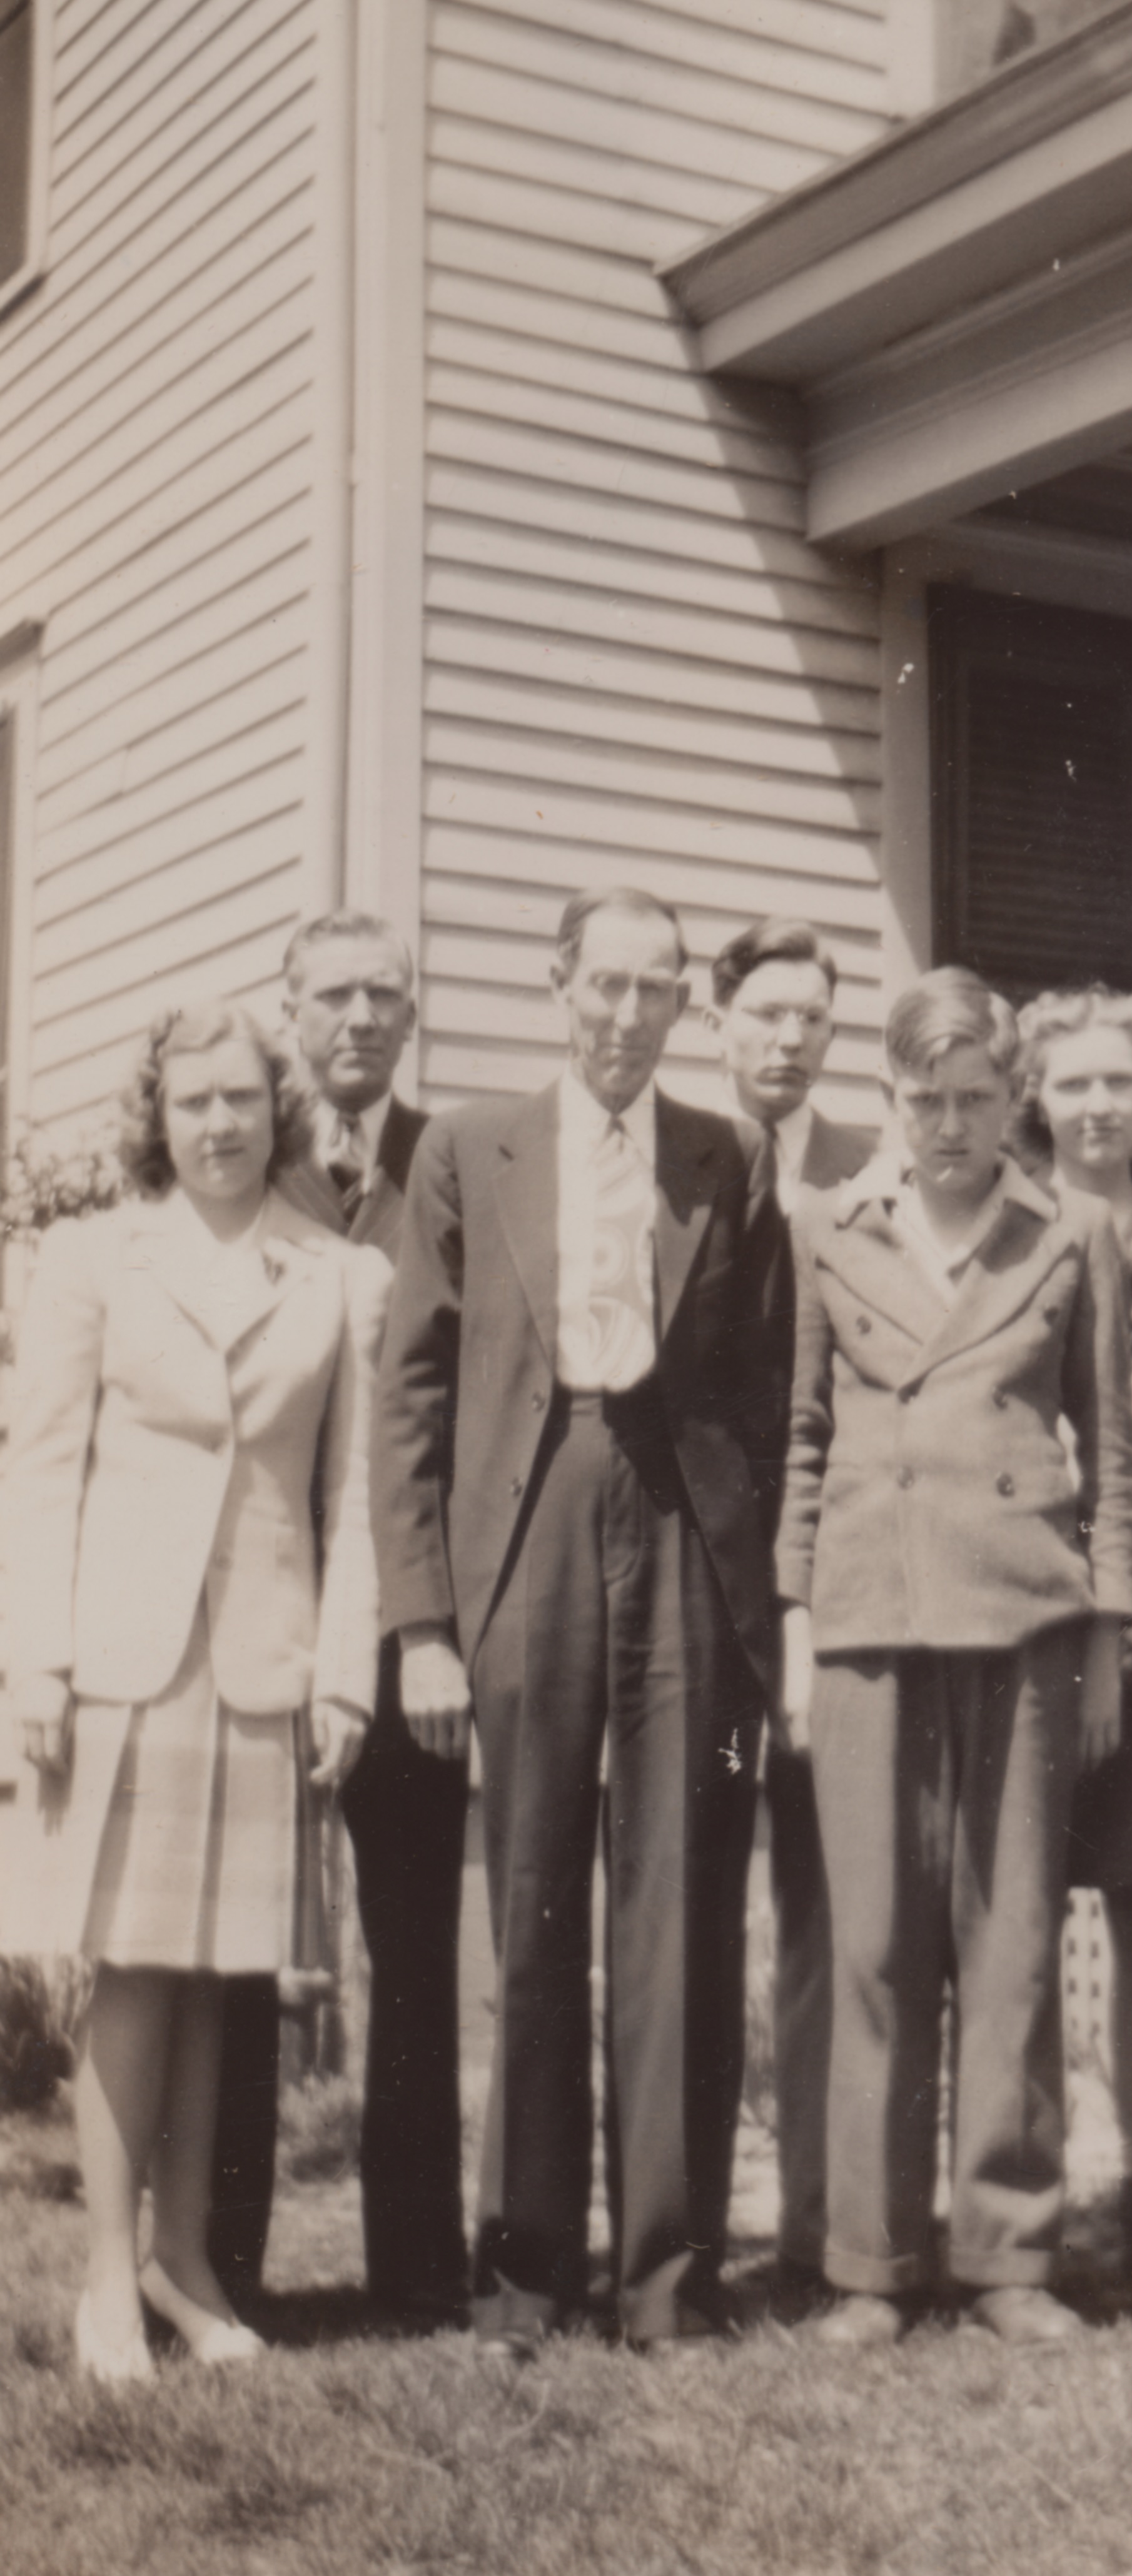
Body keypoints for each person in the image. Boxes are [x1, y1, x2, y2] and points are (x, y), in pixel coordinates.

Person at [370, 884, 789, 2356]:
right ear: (558, 984)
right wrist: (423, 1616)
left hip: (681, 1514)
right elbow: (411, 1390)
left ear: (685, 1004)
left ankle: (669, 2278)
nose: (626, 1015)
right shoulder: (467, 1149)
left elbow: (759, 1379)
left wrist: (760, 1607)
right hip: (530, 1516)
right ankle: (529, 2273)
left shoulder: (726, 1156)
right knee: (535, 1897)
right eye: (604, 984)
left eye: (656, 988)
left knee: (677, 1896)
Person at [3, 1004, 383, 2384]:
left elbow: (349, 1498)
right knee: (133, 1963)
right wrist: (31, 1659)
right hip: (120, 1659)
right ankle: (108, 2279)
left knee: (219, 1969)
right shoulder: (93, 1257)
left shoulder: (338, 1275)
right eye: (191, 1101)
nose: (218, 1123)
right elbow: (38, 1466)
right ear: (154, 1118)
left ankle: (188, 2257)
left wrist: (345, 1677)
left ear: (277, 1111)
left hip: (264, 1657)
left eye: (240, 1098)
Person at [776, 966, 1132, 2350]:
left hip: (1026, 1624)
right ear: (892, 1097)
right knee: (872, 1942)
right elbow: (803, 1442)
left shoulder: (1072, 1231)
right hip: (868, 1619)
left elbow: (1109, 1458)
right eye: (923, 1098)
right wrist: (802, 1634)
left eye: (976, 1097)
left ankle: (1008, 2253)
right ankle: (868, 2262)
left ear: (1014, 1097)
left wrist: (1106, 1639)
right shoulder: (830, 1228)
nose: (949, 1124)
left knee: (1012, 1940)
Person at [269, 909, 466, 2330]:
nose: (359, 1019)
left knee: (411, 1950)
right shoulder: (242, 1163)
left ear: (412, 1018)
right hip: (264, 1613)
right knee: (232, 1956)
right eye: (333, 994)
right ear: (289, 1007)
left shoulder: (448, 1169)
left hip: (404, 1620)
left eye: (384, 996)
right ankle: (212, 2260)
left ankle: (414, 2269)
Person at [1013, 985, 1132, 2290]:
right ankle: (1025, 2191)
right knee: (1013, 1904)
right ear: (1038, 1098)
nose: (1095, 1104)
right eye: (1071, 1083)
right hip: (1025, 1610)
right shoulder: (1006, 1223)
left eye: (1116, 1081)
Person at [708, 916, 872, 2302]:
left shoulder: (872, 1167)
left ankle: (820, 2218)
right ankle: (692, 2223)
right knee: (699, 1891)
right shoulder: (679, 1158)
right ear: (722, 1019)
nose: (787, 1035)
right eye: (765, 1011)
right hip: (703, 1599)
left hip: (833, 1581)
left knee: (823, 1900)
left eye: (811, 1014)